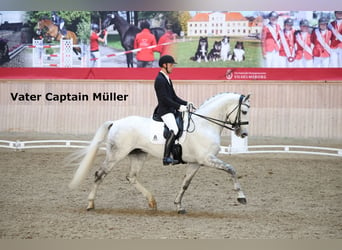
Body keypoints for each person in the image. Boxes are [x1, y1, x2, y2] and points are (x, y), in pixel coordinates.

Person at [153, 55, 189, 165]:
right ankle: (166, 158)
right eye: (171, 65)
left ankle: (178, 155)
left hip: (171, 109)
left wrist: (186, 103)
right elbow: (164, 99)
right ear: (165, 65)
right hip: (165, 110)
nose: (173, 67)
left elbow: (174, 97)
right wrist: (179, 107)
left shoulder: (167, 79)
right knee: (174, 129)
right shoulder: (159, 79)